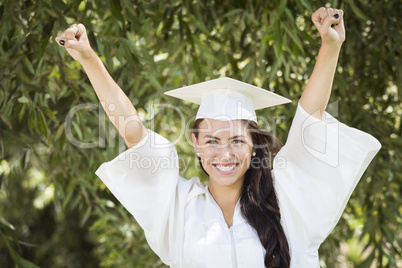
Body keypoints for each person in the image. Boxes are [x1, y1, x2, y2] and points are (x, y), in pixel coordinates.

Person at [56, 7, 381, 268]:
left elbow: (311, 117)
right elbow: (131, 130)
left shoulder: (286, 198)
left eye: (237, 141)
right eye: (212, 140)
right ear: (196, 143)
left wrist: (330, 45)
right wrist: (88, 58)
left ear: (253, 144)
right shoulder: (178, 208)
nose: (224, 153)